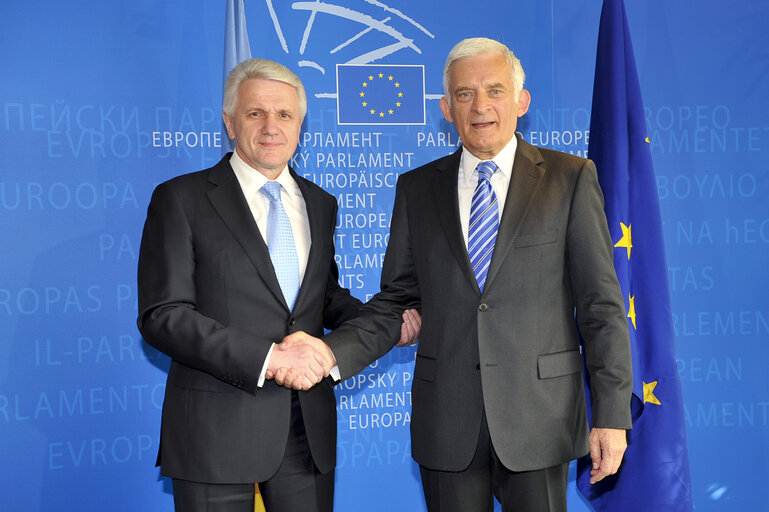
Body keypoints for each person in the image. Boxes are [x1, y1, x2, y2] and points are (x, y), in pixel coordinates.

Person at [278, 38, 633, 511]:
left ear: (522, 101)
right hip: (447, 422)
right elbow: (395, 302)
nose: (480, 105)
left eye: (495, 90)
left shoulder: (569, 179)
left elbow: (601, 306)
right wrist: (328, 352)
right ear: (446, 107)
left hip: (539, 418)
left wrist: (611, 415)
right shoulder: (417, 188)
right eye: (464, 94)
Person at [137, 58, 419, 512]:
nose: (271, 126)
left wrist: (384, 323)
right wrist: (269, 358)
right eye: (255, 114)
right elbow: (163, 317)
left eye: (284, 115)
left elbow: (322, 297)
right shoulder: (181, 199)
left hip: (306, 433)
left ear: (300, 124)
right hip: (216, 432)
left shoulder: (320, 203)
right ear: (230, 123)